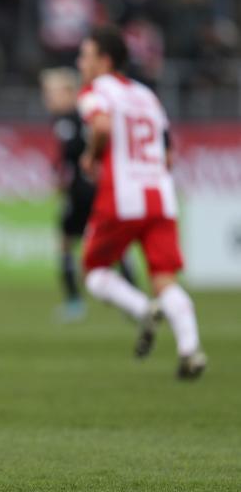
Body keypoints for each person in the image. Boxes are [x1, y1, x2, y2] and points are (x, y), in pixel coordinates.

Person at [76, 26, 206, 379]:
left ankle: (141, 308)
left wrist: (91, 156)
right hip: (161, 197)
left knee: (94, 271)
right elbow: (168, 154)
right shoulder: (147, 95)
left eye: (85, 56)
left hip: (122, 197)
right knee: (165, 277)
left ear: (104, 60)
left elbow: (101, 126)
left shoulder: (95, 90)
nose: (80, 63)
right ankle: (190, 349)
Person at [40, 67, 135, 321]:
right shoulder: (84, 114)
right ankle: (134, 298)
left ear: (68, 93)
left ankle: (74, 302)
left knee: (67, 244)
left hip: (83, 192)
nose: (48, 99)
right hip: (96, 188)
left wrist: (60, 177)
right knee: (113, 246)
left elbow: (70, 154)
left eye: (52, 93)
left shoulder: (69, 118)